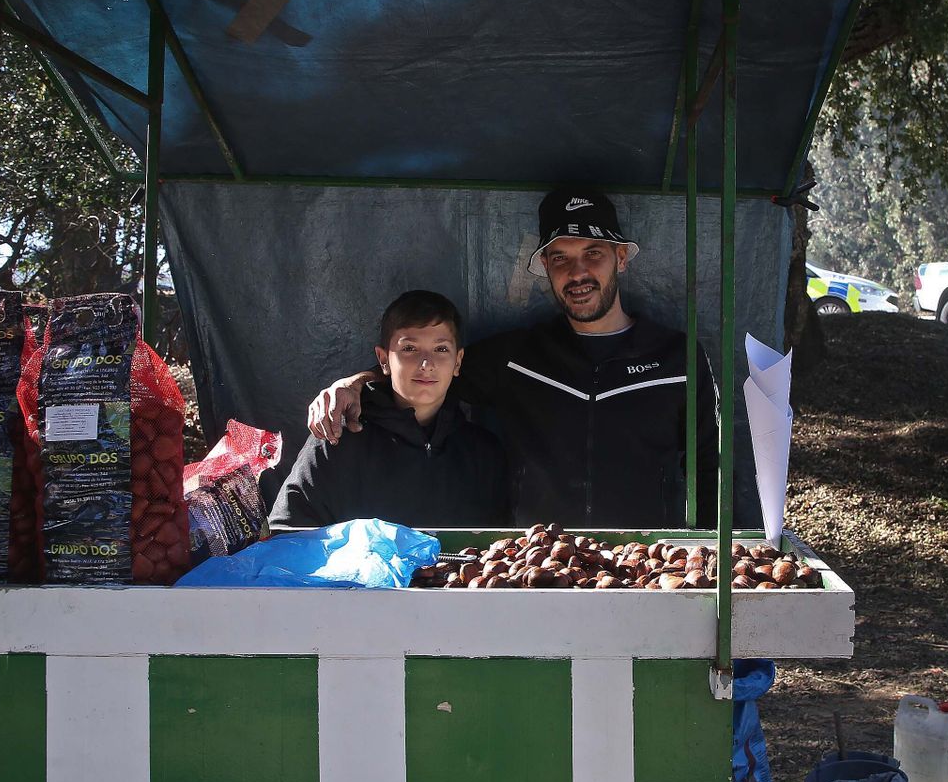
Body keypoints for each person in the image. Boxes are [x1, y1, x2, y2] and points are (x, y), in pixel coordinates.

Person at [307, 190, 718, 528]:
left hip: (647, 570)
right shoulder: (517, 357)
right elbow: (425, 372)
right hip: (541, 573)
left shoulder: (676, 358)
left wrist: (712, 554)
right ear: (544, 266)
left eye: (593, 252)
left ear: (621, 258)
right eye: (561, 257)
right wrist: (355, 384)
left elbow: (710, 465)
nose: (578, 273)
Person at [270, 290, 509, 531]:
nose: (426, 364)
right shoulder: (338, 440)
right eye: (409, 349)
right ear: (383, 360)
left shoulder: (484, 455)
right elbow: (286, 533)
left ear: (458, 362)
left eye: (441, 349)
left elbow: (501, 550)